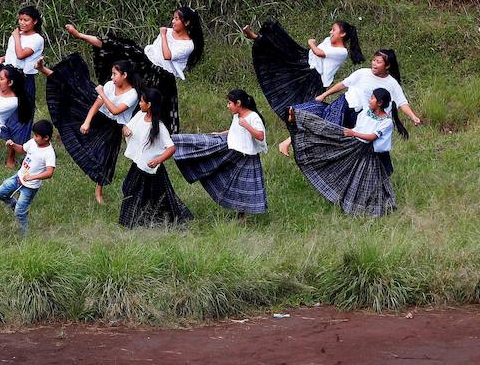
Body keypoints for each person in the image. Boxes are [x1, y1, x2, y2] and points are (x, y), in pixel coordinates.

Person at [64, 6, 204, 132]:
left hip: (162, 77)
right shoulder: (167, 31)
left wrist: (163, 35)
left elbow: (167, 56)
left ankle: (149, 142)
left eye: (177, 19)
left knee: (154, 110)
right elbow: (154, 52)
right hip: (146, 63)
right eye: (173, 18)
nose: (173, 22)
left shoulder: (188, 45)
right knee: (119, 46)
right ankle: (80, 35)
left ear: (187, 23)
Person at [282, 47, 422, 156]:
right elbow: (343, 84)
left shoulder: (391, 83)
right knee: (324, 125)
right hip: (344, 104)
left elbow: (402, 103)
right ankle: (289, 141)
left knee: (340, 140)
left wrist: (413, 117)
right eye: (374, 60)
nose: (374, 63)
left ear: (387, 66)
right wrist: (324, 95)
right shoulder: (362, 73)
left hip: (360, 115)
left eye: (378, 62)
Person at [288, 86, 402, 217]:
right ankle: (299, 117)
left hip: (368, 152)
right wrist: (352, 133)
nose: (369, 100)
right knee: (328, 133)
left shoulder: (386, 122)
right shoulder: (365, 112)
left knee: (369, 179)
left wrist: (353, 133)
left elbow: (372, 137)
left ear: (380, 103)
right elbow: (359, 127)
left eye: (372, 98)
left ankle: (371, 208)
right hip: (354, 144)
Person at [44, 56, 139, 205]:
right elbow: (97, 105)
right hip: (99, 119)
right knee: (74, 95)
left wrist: (101, 93)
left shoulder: (132, 94)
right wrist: (87, 122)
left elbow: (115, 111)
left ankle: (99, 192)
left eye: (115, 74)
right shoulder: (109, 85)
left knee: (106, 157)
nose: (112, 77)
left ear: (125, 75)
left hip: (114, 126)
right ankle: (43, 69)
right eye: (112, 74)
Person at [172, 89, 269, 218]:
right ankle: (175, 143)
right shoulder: (237, 116)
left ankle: (242, 217)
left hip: (248, 157)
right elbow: (235, 130)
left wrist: (247, 125)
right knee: (228, 176)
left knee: (245, 186)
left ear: (238, 103)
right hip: (234, 152)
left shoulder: (253, 117)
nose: (228, 106)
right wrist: (220, 133)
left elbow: (260, 136)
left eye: (230, 103)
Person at [243, 19, 364, 117]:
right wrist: (311, 48)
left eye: (334, 30)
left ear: (342, 34)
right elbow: (314, 54)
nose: (330, 32)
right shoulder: (328, 40)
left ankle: (301, 119)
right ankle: (257, 37)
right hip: (306, 62)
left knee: (305, 100)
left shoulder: (342, 52)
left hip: (315, 77)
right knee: (284, 48)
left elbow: (319, 52)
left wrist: (311, 43)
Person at [118, 86, 193, 228]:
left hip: (152, 169)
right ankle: (133, 221)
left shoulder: (159, 127)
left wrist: (158, 160)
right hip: (138, 165)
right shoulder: (139, 116)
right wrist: (126, 129)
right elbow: (127, 127)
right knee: (129, 188)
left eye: (141, 101)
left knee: (156, 196)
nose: (139, 104)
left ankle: (157, 220)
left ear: (149, 104)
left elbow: (171, 148)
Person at [0, 120, 57, 237]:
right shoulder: (33, 143)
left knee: (19, 213)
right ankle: (16, 206)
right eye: (34, 134)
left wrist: (33, 177)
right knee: (1, 193)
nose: (34, 137)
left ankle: (23, 237)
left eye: (37, 136)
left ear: (46, 138)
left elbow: (49, 173)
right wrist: (13, 145)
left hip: (30, 187)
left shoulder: (49, 153)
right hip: (18, 177)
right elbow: (22, 149)